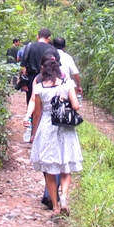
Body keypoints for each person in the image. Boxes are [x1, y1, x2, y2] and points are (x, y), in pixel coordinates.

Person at [24, 53, 82, 217]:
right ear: (58, 68)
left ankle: (56, 207)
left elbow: (37, 113)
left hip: (47, 127)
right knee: (65, 168)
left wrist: (34, 134)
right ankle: (64, 197)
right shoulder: (67, 83)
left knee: (50, 170)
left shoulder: (40, 87)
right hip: (65, 129)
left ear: (43, 69)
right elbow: (76, 106)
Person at [19, 28, 59, 104]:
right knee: (46, 103)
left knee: (32, 101)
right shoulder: (52, 49)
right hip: (47, 78)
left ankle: (31, 115)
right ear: (49, 38)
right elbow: (56, 68)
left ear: (37, 37)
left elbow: (23, 66)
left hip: (31, 78)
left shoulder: (29, 47)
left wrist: (23, 83)